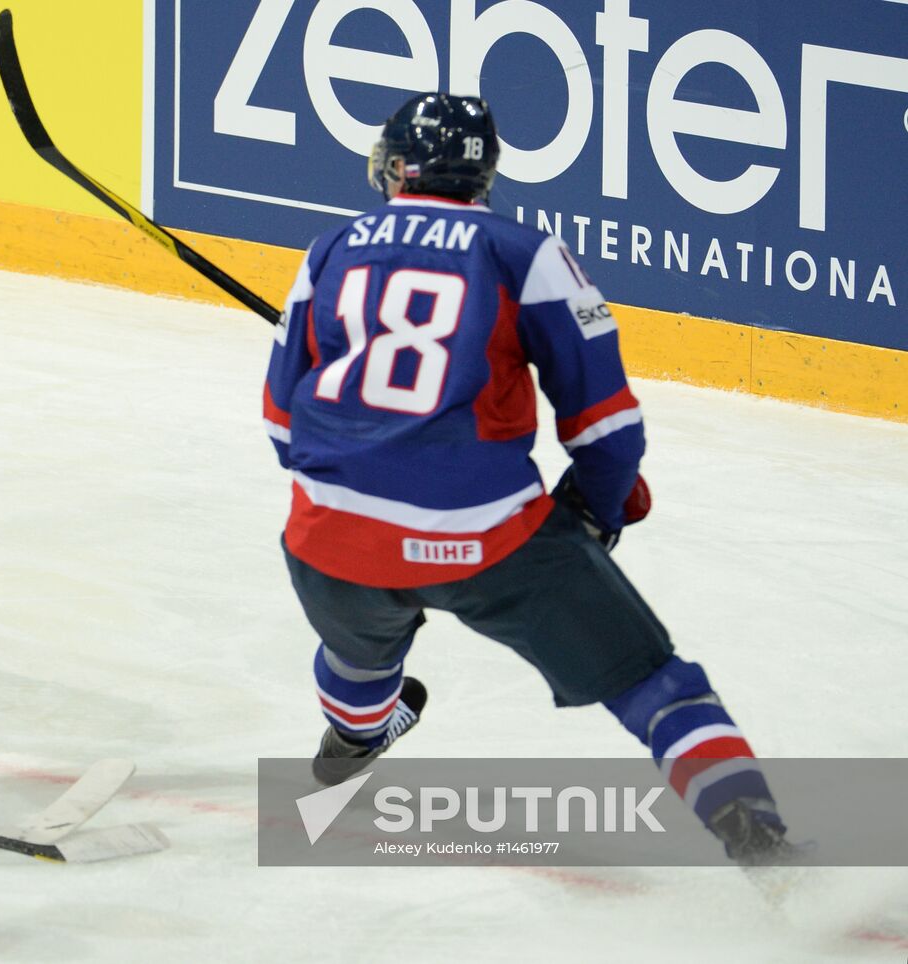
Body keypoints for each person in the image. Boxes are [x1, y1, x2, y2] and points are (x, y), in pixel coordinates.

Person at [263, 92, 792, 865]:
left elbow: (282, 425)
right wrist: (597, 510)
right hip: (488, 541)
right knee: (656, 684)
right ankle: (761, 847)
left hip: (330, 540)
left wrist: (369, 448)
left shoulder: (330, 249)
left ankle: (354, 735)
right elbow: (608, 429)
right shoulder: (523, 252)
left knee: (360, 650)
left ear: (399, 167)